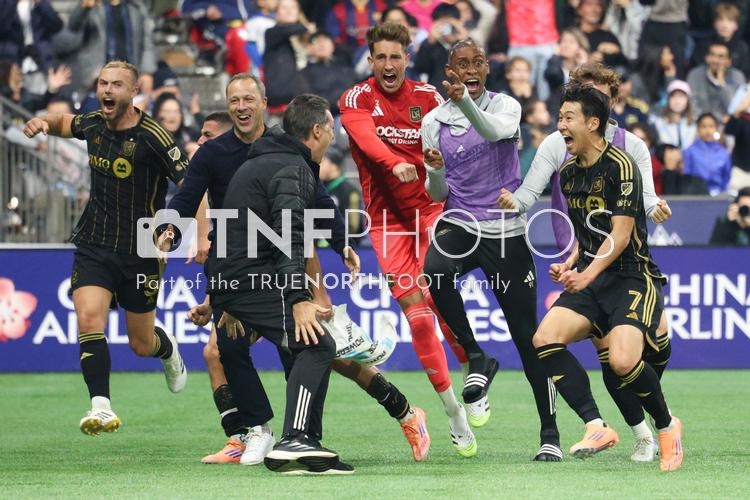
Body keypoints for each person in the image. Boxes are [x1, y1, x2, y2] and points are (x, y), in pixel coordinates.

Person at [168, 74, 430, 465]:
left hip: (279, 264)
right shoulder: (231, 156)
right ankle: (260, 434)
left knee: (321, 350)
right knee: (236, 348)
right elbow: (198, 203)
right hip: (250, 268)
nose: (240, 106)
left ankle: (393, 413)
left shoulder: (286, 154)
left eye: (247, 99)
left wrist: (340, 244)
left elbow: (315, 208)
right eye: (234, 100)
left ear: (263, 103)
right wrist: (172, 234)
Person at [499, 63, 674, 463]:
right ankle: (607, 427)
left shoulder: (626, 156)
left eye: (568, 117)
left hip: (628, 271)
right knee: (556, 343)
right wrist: (571, 263)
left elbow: (623, 230)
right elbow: (587, 229)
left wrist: (654, 207)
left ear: (599, 115)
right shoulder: (567, 169)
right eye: (560, 117)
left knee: (630, 357)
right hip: (589, 273)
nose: (561, 124)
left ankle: (661, 424)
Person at [22, 60, 188, 436]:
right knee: (88, 318)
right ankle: (101, 407)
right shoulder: (94, 122)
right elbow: (65, 123)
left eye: (116, 85)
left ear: (133, 92)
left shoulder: (154, 137)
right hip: (94, 242)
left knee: (141, 344)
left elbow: (192, 186)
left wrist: (174, 234)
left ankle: (166, 348)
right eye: (102, 83)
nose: (107, 90)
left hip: (141, 250)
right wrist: (42, 122)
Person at [421, 38, 563, 461]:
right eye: (461, 63)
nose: (470, 69)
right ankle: (477, 356)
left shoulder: (506, 107)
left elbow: (491, 130)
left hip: (505, 230)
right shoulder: (433, 121)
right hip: (460, 224)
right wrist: (435, 171)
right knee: (434, 270)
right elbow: (437, 193)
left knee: (527, 337)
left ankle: (550, 434)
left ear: (486, 68)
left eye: (477, 62)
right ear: (449, 70)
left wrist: (464, 102)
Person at [340, 22, 477, 457]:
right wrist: (393, 161)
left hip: (431, 212)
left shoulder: (429, 98)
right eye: (380, 57)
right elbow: (365, 138)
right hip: (387, 224)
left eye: (395, 57)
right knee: (417, 319)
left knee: (440, 298)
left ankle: (474, 376)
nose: (387, 64)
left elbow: (459, 142)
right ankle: (452, 411)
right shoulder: (357, 98)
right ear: (370, 60)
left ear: (407, 59)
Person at [206, 94, 352, 475]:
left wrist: (224, 299)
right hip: (247, 279)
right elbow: (290, 236)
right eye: (331, 129)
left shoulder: (272, 160)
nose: (333, 136)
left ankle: (308, 445)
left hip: (236, 279)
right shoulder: (291, 167)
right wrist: (299, 297)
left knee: (309, 343)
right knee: (318, 344)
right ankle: (295, 439)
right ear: (316, 131)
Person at [687, 41, 746, 120]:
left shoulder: (737, 76)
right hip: (701, 123)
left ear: (729, 61)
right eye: (712, 55)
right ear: (706, 58)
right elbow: (692, 103)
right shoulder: (695, 74)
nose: (715, 60)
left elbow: (735, 108)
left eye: (720, 57)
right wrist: (704, 121)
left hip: (728, 123)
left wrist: (721, 82)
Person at [682, 113, 732, 195]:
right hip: (696, 194)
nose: (708, 130)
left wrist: (722, 192)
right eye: (704, 126)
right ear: (698, 129)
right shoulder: (689, 151)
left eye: (711, 126)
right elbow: (687, 175)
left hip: (718, 194)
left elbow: (726, 176)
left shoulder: (723, 152)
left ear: (716, 128)